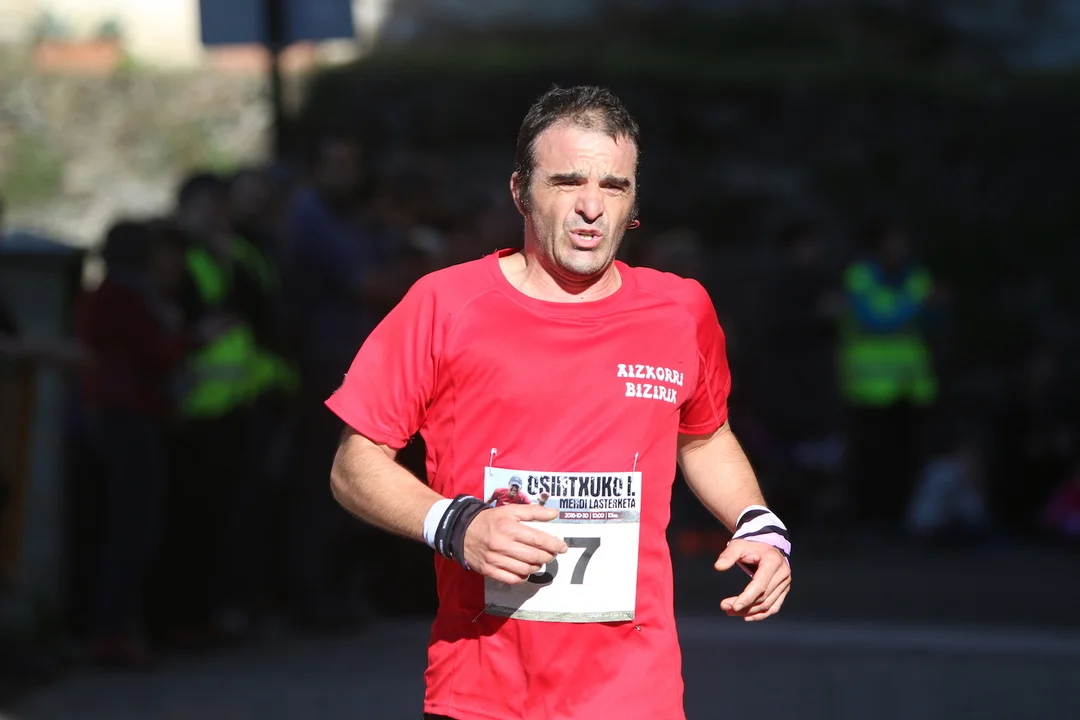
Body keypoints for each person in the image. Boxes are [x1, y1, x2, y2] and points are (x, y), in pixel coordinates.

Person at [326, 85, 792, 720]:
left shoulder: (681, 310)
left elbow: (704, 435)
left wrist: (758, 521)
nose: (591, 207)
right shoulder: (445, 304)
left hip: (635, 694)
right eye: (568, 182)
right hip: (483, 694)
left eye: (615, 187)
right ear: (521, 191)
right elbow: (353, 465)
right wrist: (456, 525)